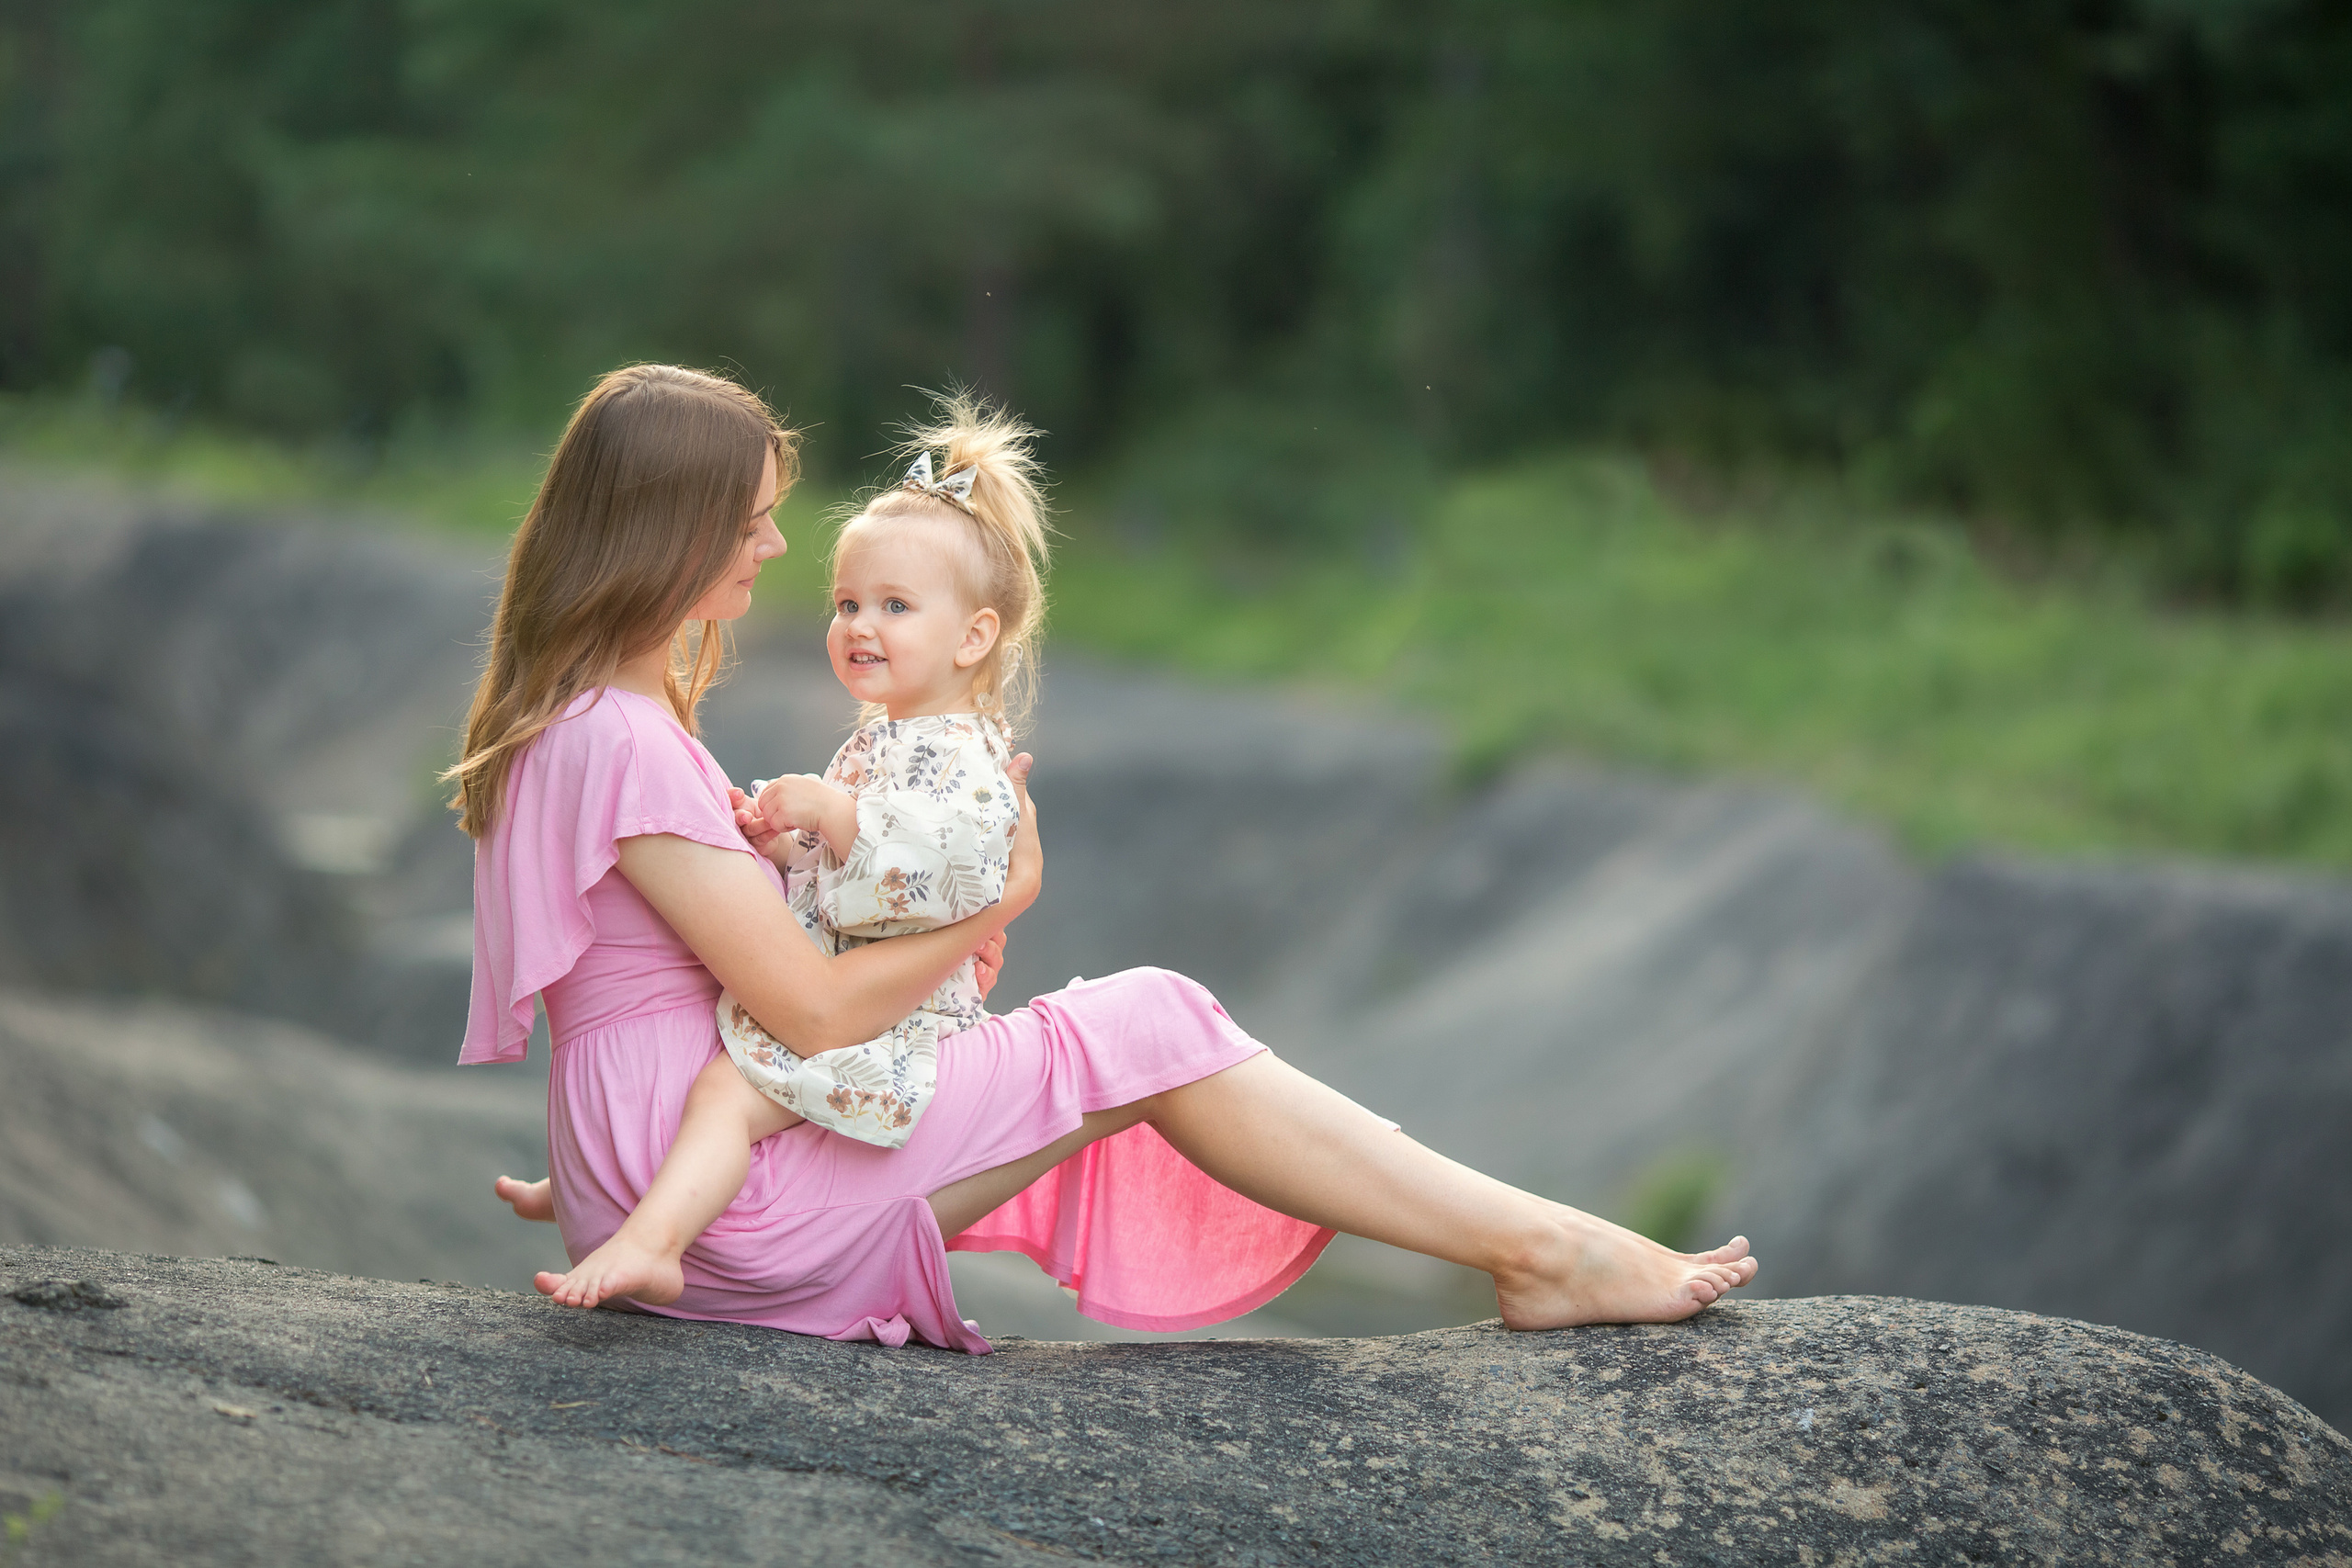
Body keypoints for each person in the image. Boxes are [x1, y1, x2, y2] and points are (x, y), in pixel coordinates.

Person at [461, 363, 1758, 1353]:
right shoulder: (620, 738)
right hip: (733, 1215)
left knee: (1123, 1032)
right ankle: (1544, 1251)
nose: (776, 547)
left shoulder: (582, 720)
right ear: (673, 527)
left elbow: (673, 993)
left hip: (676, 1173)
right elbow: (804, 1011)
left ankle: (1540, 1246)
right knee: (1150, 1020)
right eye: (752, 520)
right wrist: (996, 904)